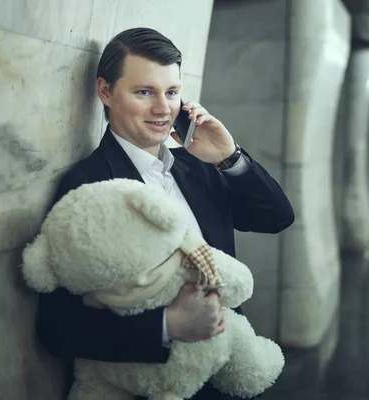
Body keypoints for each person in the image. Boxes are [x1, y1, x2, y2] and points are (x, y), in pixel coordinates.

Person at [35, 27, 295, 400]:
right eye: (145, 92)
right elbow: (56, 327)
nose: (163, 108)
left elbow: (276, 217)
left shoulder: (201, 168)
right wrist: (166, 325)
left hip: (224, 378)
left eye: (171, 92)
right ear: (105, 91)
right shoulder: (86, 184)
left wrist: (229, 157)